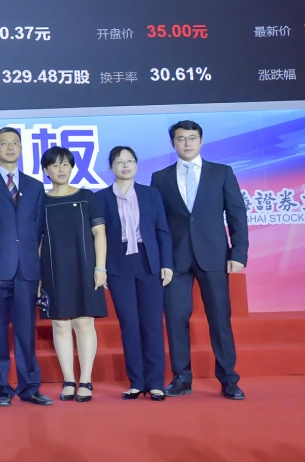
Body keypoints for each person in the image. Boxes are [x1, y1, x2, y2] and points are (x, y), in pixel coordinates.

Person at [151, 120, 249, 400]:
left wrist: (238, 253)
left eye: (192, 138)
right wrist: (161, 260)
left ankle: (228, 379)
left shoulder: (221, 172)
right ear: (173, 143)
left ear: (201, 141)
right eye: (181, 139)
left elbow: (236, 214)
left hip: (214, 256)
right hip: (175, 260)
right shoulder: (160, 177)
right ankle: (181, 378)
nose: (187, 143)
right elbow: (157, 223)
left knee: (219, 319)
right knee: (175, 319)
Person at [0, 127, 52, 406]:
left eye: (15, 143)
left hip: (28, 267)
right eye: (3, 143)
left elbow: (39, 228)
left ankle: (29, 387)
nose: (10, 147)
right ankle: (0, 388)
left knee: (26, 331)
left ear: (21, 148)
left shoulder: (35, 186)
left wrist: (40, 267)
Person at [94, 146, 173, 401]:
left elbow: (162, 230)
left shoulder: (151, 194)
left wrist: (167, 263)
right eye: (119, 162)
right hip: (118, 265)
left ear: (137, 164)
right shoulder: (101, 198)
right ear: (111, 167)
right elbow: (98, 236)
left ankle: (156, 382)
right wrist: (101, 268)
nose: (125, 165)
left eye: (130, 161)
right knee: (129, 324)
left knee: (152, 323)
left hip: (149, 262)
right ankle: (136, 382)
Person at [39, 146, 108, 402]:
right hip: (53, 268)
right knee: (60, 323)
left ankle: (86, 380)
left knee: (84, 323)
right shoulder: (41, 201)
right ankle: (69, 379)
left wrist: (100, 268)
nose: (61, 169)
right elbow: (38, 241)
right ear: (46, 170)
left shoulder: (87, 196)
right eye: (55, 165)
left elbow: (99, 234)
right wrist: (39, 277)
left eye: (66, 164)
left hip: (85, 267)